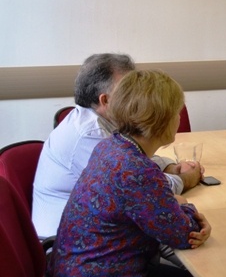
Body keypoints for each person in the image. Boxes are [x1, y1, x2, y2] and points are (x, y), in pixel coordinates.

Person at [47, 70, 226, 277]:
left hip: (89, 276)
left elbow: (161, 211)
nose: (179, 118)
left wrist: (177, 207)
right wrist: (190, 212)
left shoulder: (112, 147)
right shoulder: (135, 170)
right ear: (162, 119)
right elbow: (182, 233)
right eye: (176, 112)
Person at [32, 53, 202, 239]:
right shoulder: (90, 136)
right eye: (128, 92)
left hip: (97, 239)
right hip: (70, 241)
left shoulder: (105, 131)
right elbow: (148, 190)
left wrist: (168, 166)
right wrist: (187, 180)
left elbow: (138, 159)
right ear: (105, 100)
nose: (139, 96)